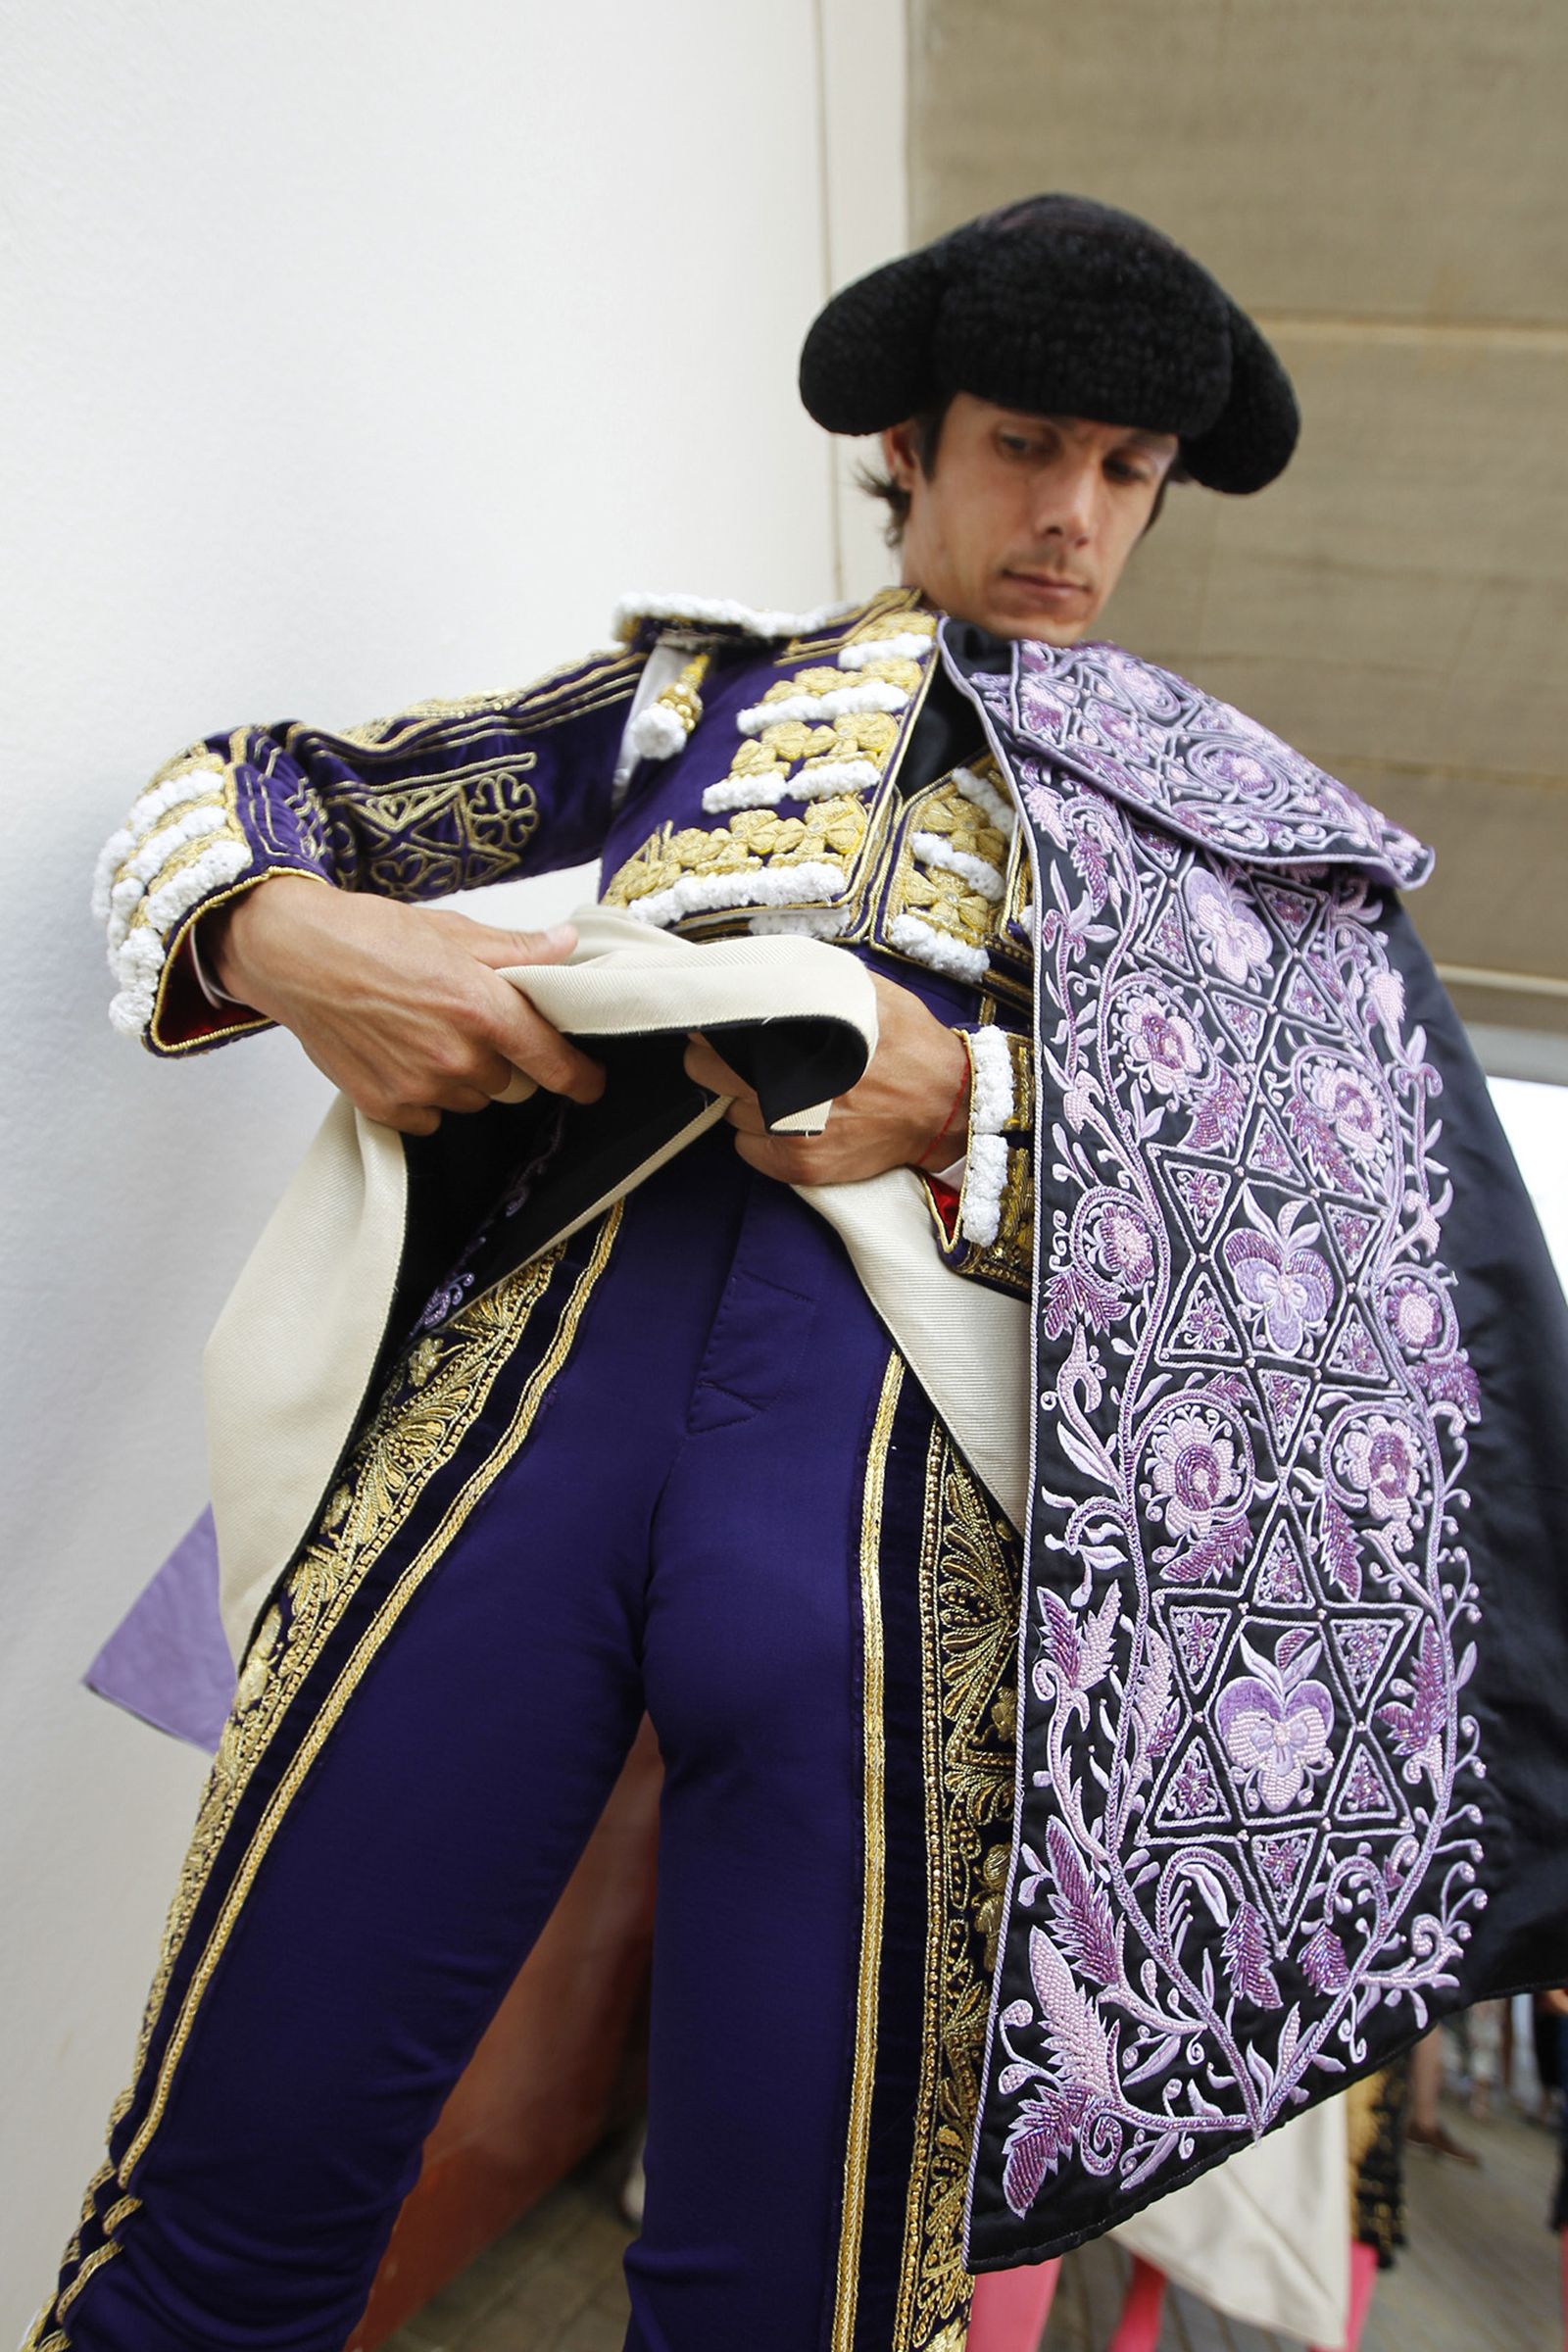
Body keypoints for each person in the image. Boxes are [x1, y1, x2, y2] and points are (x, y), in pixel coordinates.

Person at [32, 194, 1568, 2352]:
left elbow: (1337, 1254)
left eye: (1127, 471)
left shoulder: (1235, 830)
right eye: (1029, 441)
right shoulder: (703, 699)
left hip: (914, 1521)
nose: (1074, 514)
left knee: (796, 2303)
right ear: (910, 449)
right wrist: (286, 940)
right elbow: (240, 796)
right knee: (222, 2193)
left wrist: (974, 1106)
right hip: (522, 1423)